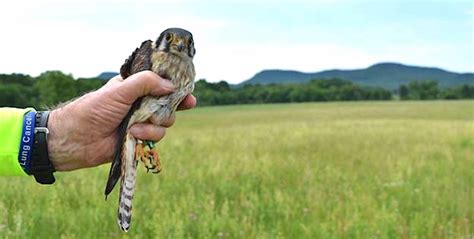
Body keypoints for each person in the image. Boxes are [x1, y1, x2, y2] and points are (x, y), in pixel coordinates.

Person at [0, 71, 196, 181]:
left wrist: (54, 137)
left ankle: (144, 148)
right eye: (169, 39)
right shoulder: (152, 57)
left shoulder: (186, 72)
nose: (177, 46)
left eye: (186, 43)